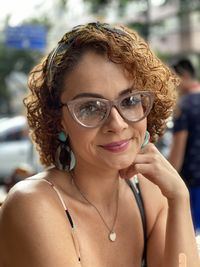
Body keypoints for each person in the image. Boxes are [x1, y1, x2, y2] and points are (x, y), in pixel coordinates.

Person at [0, 22, 199, 267]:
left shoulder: (149, 192)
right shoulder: (34, 204)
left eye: (130, 100)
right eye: (90, 107)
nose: (117, 123)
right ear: (58, 121)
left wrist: (179, 197)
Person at [169, 58, 200, 233]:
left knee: (192, 235)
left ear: (185, 75)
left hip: (194, 183)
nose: (173, 87)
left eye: (174, 80)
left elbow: (177, 155)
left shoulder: (183, 106)